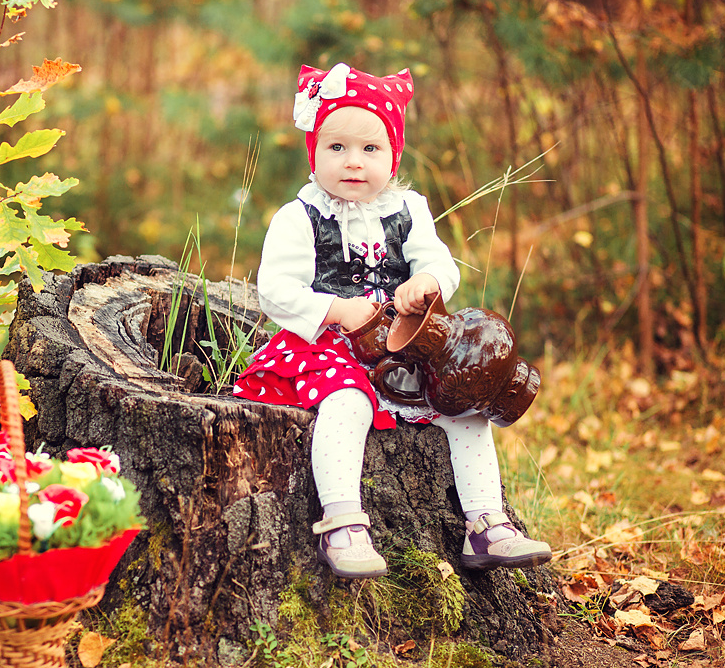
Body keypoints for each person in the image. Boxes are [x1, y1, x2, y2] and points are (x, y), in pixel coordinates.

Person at [233, 63, 551, 578]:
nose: (353, 162)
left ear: (392, 155)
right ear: (314, 152)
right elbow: (274, 290)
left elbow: (439, 264)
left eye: (370, 149)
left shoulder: (407, 209)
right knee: (347, 400)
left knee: (463, 407)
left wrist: (426, 284)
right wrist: (336, 308)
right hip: (327, 343)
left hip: (399, 346)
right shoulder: (300, 217)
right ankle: (342, 522)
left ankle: (486, 524)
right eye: (336, 148)